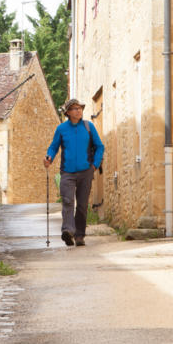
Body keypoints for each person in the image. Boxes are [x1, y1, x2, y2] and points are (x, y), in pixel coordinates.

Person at [43, 99, 104, 247]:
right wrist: (49, 157)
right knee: (68, 201)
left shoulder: (89, 127)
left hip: (86, 172)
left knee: (82, 205)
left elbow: (99, 147)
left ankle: (79, 236)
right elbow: (53, 147)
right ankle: (68, 231)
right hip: (67, 173)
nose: (78, 111)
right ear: (68, 113)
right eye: (75, 109)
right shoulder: (61, 129)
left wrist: (94, 166)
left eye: (80, 108)